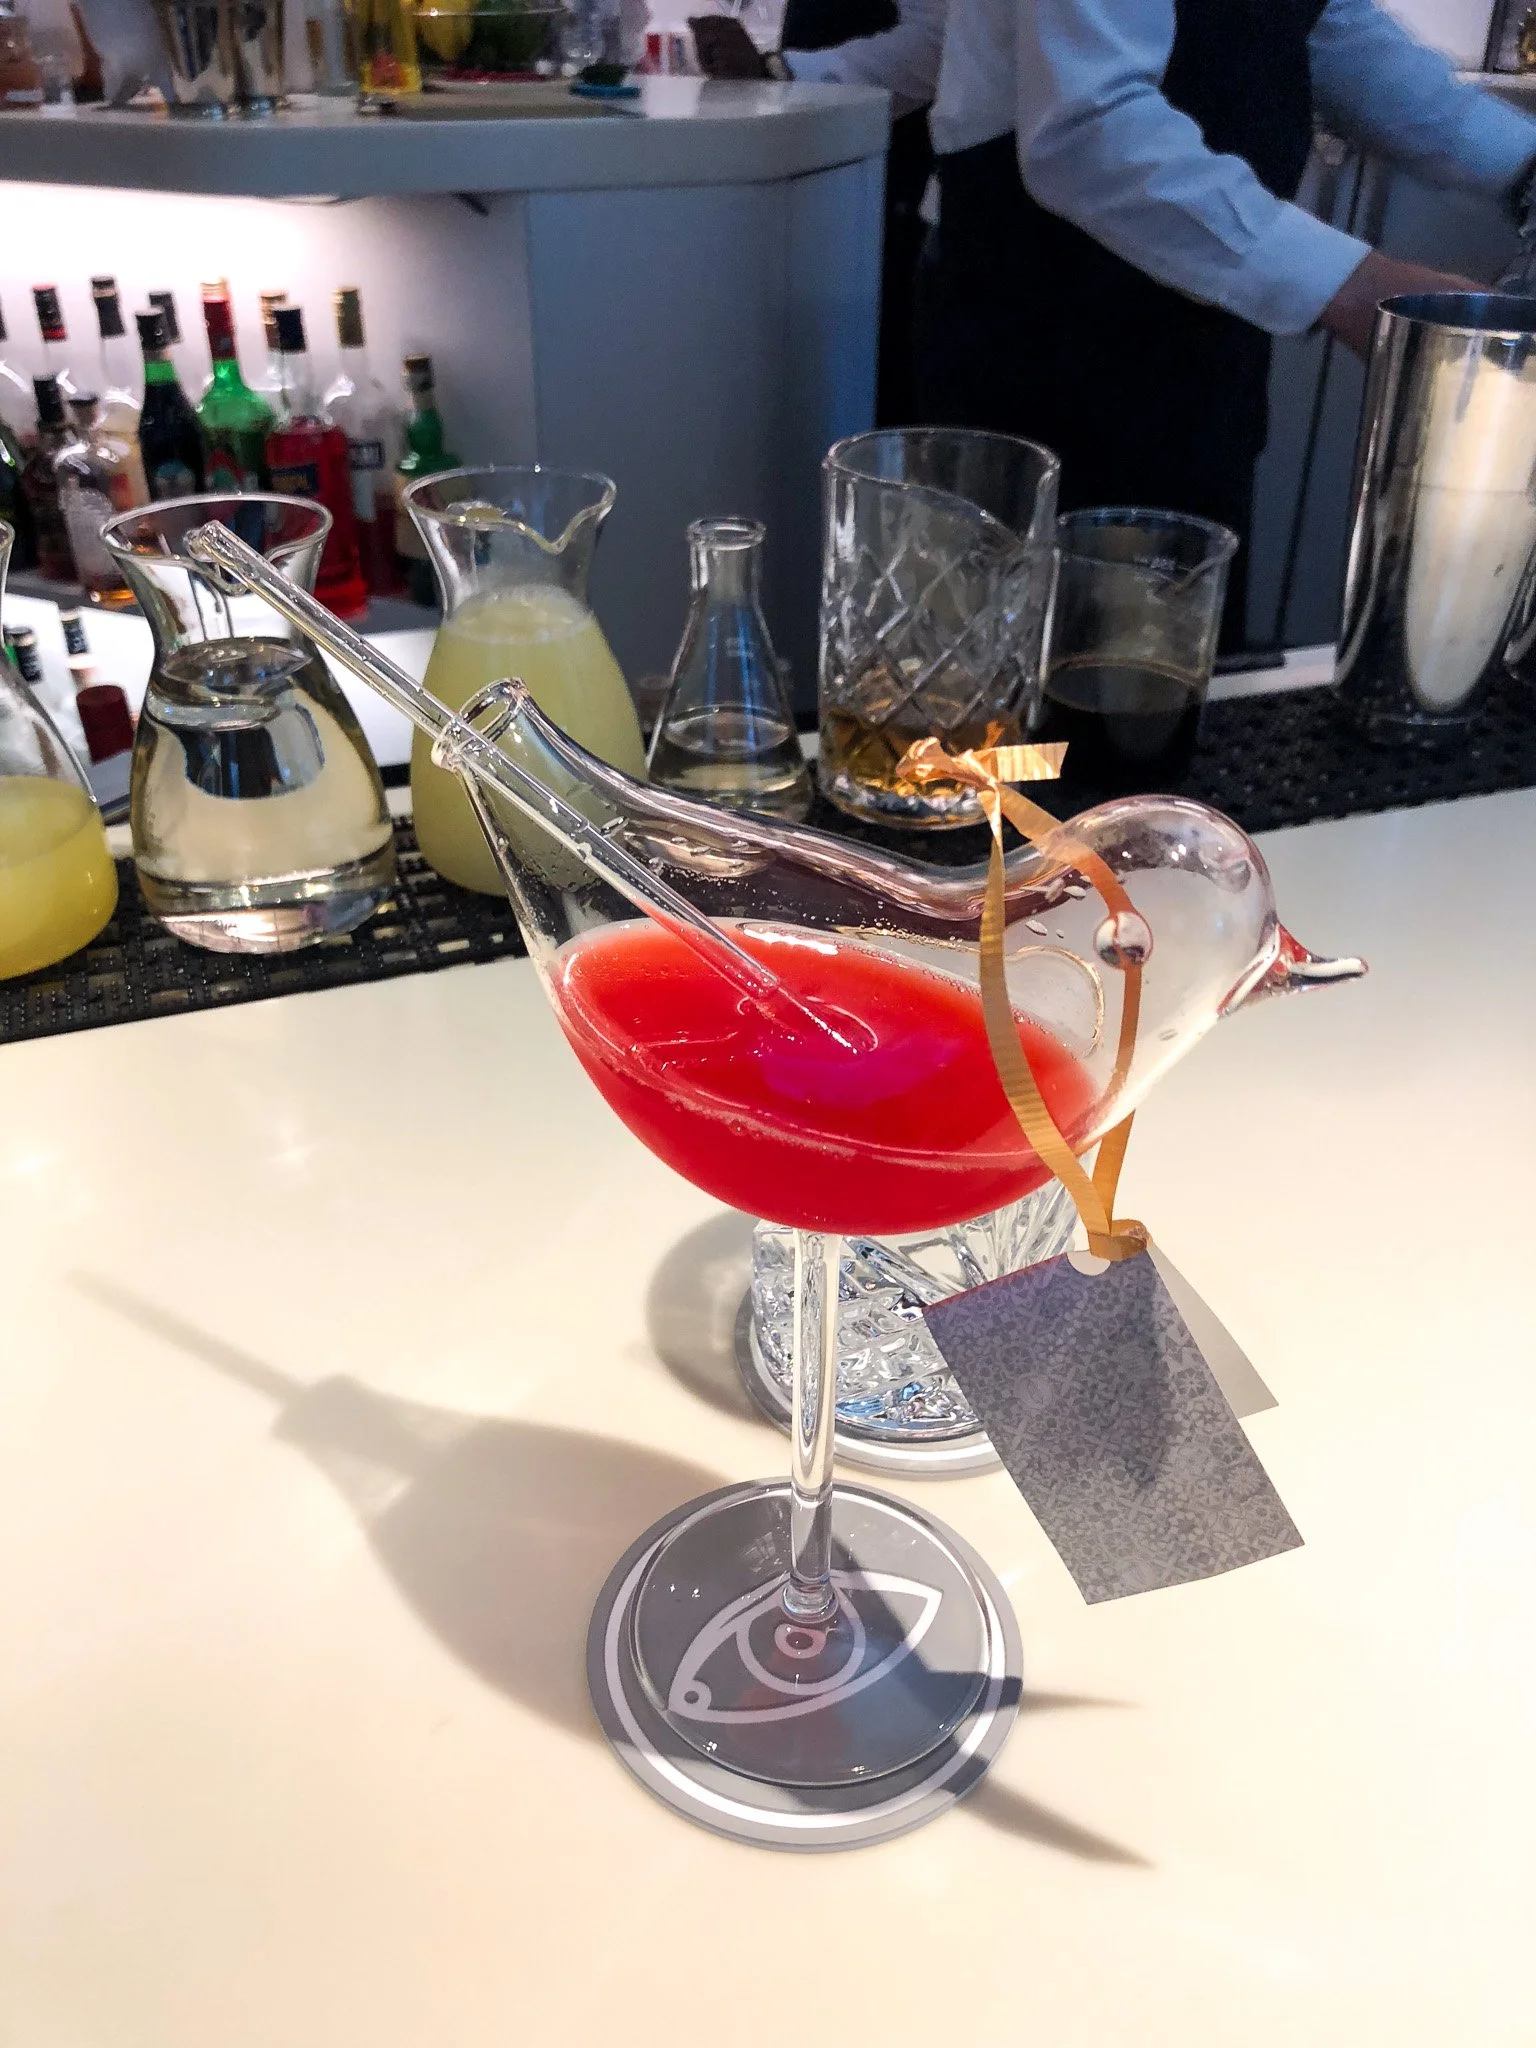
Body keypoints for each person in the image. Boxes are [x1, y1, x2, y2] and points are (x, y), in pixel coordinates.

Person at [912, 0, 1536, 636]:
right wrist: (1354, 285)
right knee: (1021, 670)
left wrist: (1526, 162)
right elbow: (1088, 132)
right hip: (1038, 336)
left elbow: (1330, 31)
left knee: (1175, 650)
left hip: (1199, 340)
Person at [780, 0, 947, 420]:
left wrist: (790, 71)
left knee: (876, 379)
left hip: (886, 176)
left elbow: (933, 45)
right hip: (816, 158)